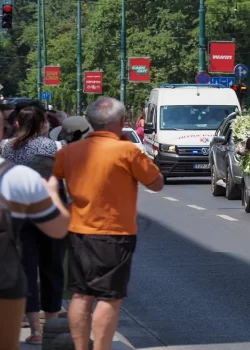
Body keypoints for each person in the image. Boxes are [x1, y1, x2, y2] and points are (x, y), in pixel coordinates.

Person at [53, 97, 164, 350]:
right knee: (109, 297)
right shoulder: (128, 151)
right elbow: (156, 184)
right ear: (122, 122)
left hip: (78, 231)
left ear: (90, 122)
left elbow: (53, 180)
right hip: (115, 233)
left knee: (81, 295)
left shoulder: (69, 152)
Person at [0, 102, 69, 350]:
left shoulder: (6, 147)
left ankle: (35, 330)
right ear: (44, 125)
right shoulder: (52, 145)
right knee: (52, 268)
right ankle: (51, 325)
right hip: (43, 209)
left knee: (27, 269)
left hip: (15, 219)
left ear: (15, 124)